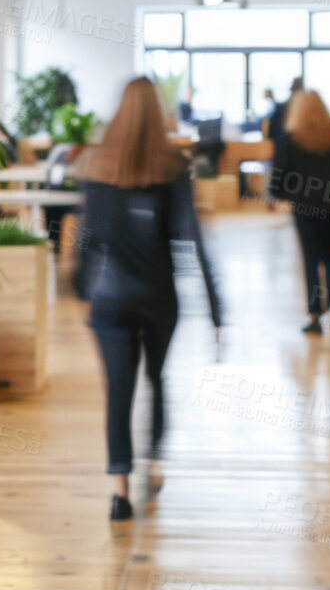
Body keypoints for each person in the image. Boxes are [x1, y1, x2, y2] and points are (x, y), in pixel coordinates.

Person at [74, 77, 221, 521]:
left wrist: (81, 292)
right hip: (159, 296)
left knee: (118, 391)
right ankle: (154, 464)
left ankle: (119, 491)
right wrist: (217, 310)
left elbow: (87, 241)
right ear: (158, 113)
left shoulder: (97, 165)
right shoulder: (172, 167)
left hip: (110, 300)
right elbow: (191, 237)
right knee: (156, 379)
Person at [270, 90, 330, 334]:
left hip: (304, 209)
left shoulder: (290, 139)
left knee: (310, 260)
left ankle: (314, 314)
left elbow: (278, 179)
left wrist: (290, 194)